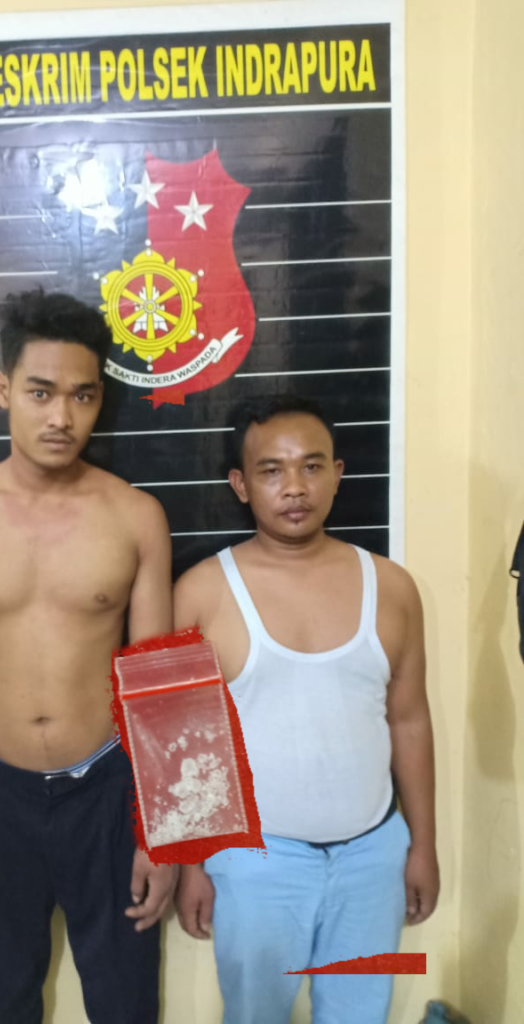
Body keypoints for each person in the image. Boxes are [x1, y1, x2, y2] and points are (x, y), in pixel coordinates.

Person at [0, 290, 176, 1024]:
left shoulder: (136, 517)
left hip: (110, 793)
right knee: (1, 1009)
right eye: (41, 392)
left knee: (127, 1009)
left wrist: (166, 830)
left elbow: (157, 680)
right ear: (4, 390)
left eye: (82, 396)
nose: (62, 417)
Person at [174, 396, 439, 1024]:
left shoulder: (392, 587)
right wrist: (191, 867)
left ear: (338, 474)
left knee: (360, 1014)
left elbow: (409, 720)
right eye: (272, 471)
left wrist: (421, 845)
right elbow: (183, 745)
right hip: (254, 862)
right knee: (255, 1014)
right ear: (240, 484)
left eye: (312, 466)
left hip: (373, 854)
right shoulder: (201, 593)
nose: (295, 487)